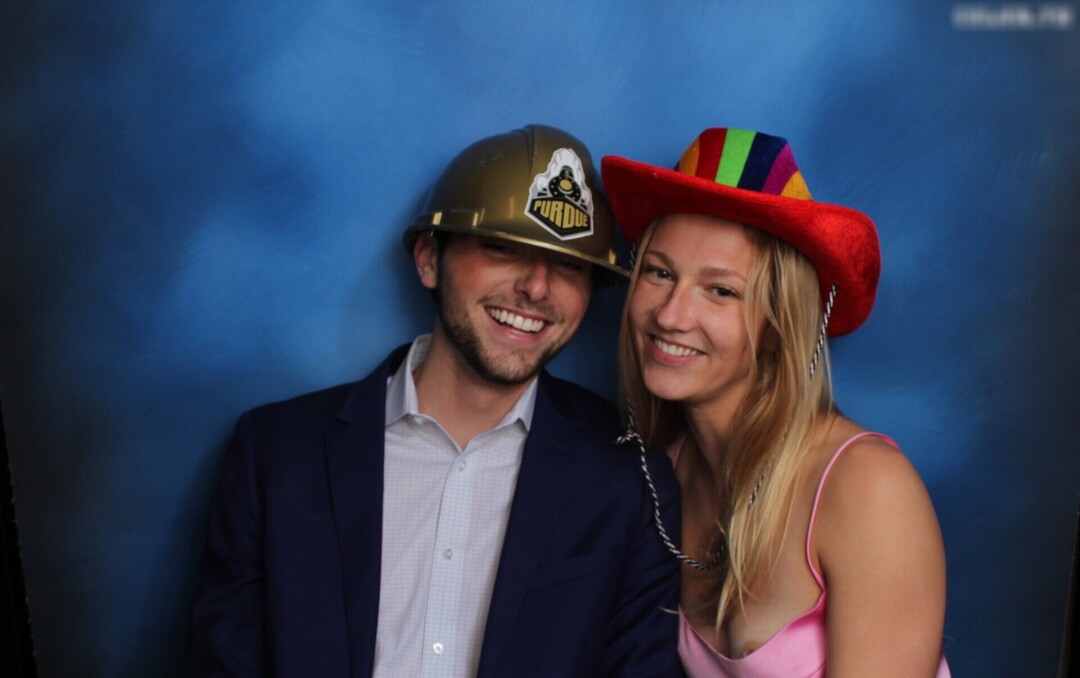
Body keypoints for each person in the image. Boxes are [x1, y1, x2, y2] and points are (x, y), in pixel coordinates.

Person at [183, 125, 682, 677]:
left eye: (568, 265)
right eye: (502, 248)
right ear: (427, 258)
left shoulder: (631, 480)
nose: (536, 288)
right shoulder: (276, 455)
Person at [602, 128, 949, 677]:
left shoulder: (865, 488)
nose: (669, 315)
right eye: (660, 272)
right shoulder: (661, 471)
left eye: (720, 290)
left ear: (780, 324)